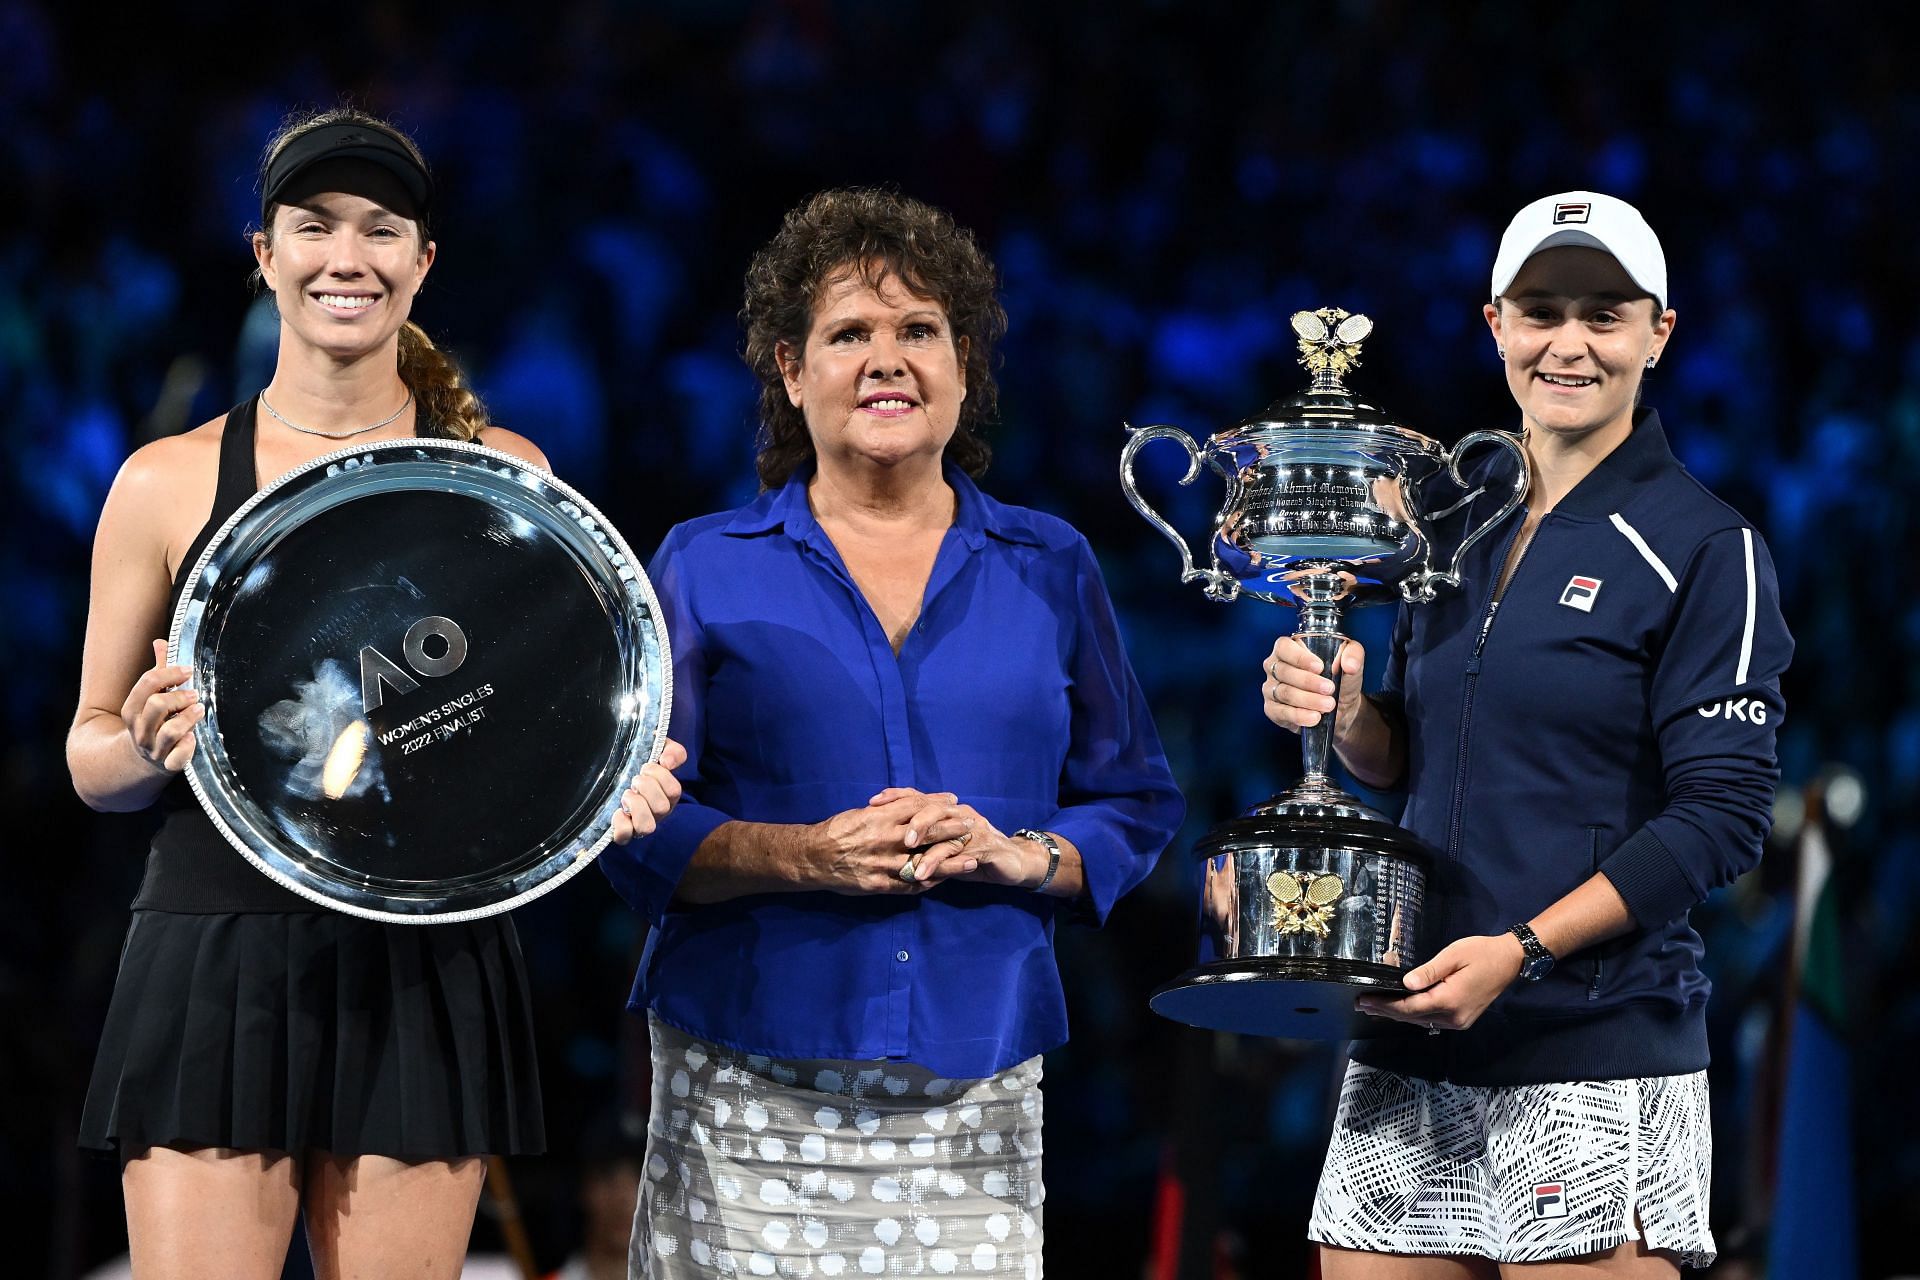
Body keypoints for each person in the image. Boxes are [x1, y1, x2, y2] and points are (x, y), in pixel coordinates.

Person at [70, 107, 684, 1279]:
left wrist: (611, 779)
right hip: (218, 948)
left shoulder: (510, 480)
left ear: (421, 261)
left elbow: (548, 723)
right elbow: (89, 756)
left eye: (379, 229)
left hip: (428, 961)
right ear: (265, 254)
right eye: (313, 227)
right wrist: (146, 744)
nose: (345, 257)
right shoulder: (166, 479)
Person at [599, 187, 1184, 1278]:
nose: (887, 360)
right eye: (849, 334)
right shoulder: (700, 560)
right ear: (789, 369)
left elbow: (1135, 799)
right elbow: (636, 824)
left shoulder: (1050, 563)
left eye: (918, 330)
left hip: (976, 1082)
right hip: (746, 1076)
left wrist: (1023, 853)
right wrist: (804, 852)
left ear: (962, 361)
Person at [1260, 191, 1791, 1277]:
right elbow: (1414, 760)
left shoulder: (1707, 546)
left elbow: (1724, 820)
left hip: (1596, 1051)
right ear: (1495, 322)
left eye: (1605, 313)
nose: (1571, 342)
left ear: (1659, 332)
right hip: (1412, 1037)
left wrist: (1523, 951)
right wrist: (1352, 716)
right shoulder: (1444, 528)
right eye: (1543, 310)